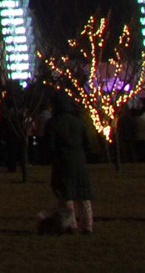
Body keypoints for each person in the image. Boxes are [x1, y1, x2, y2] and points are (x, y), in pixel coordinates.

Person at [42, 92, 95, 234]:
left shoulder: (53, 123)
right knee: (83, 195)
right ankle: (88, 225)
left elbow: (49, 145)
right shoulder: (78, 122)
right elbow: (88, 142)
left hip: (62, 160)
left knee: (66, 195)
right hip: (79, 160)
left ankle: (70, 224)